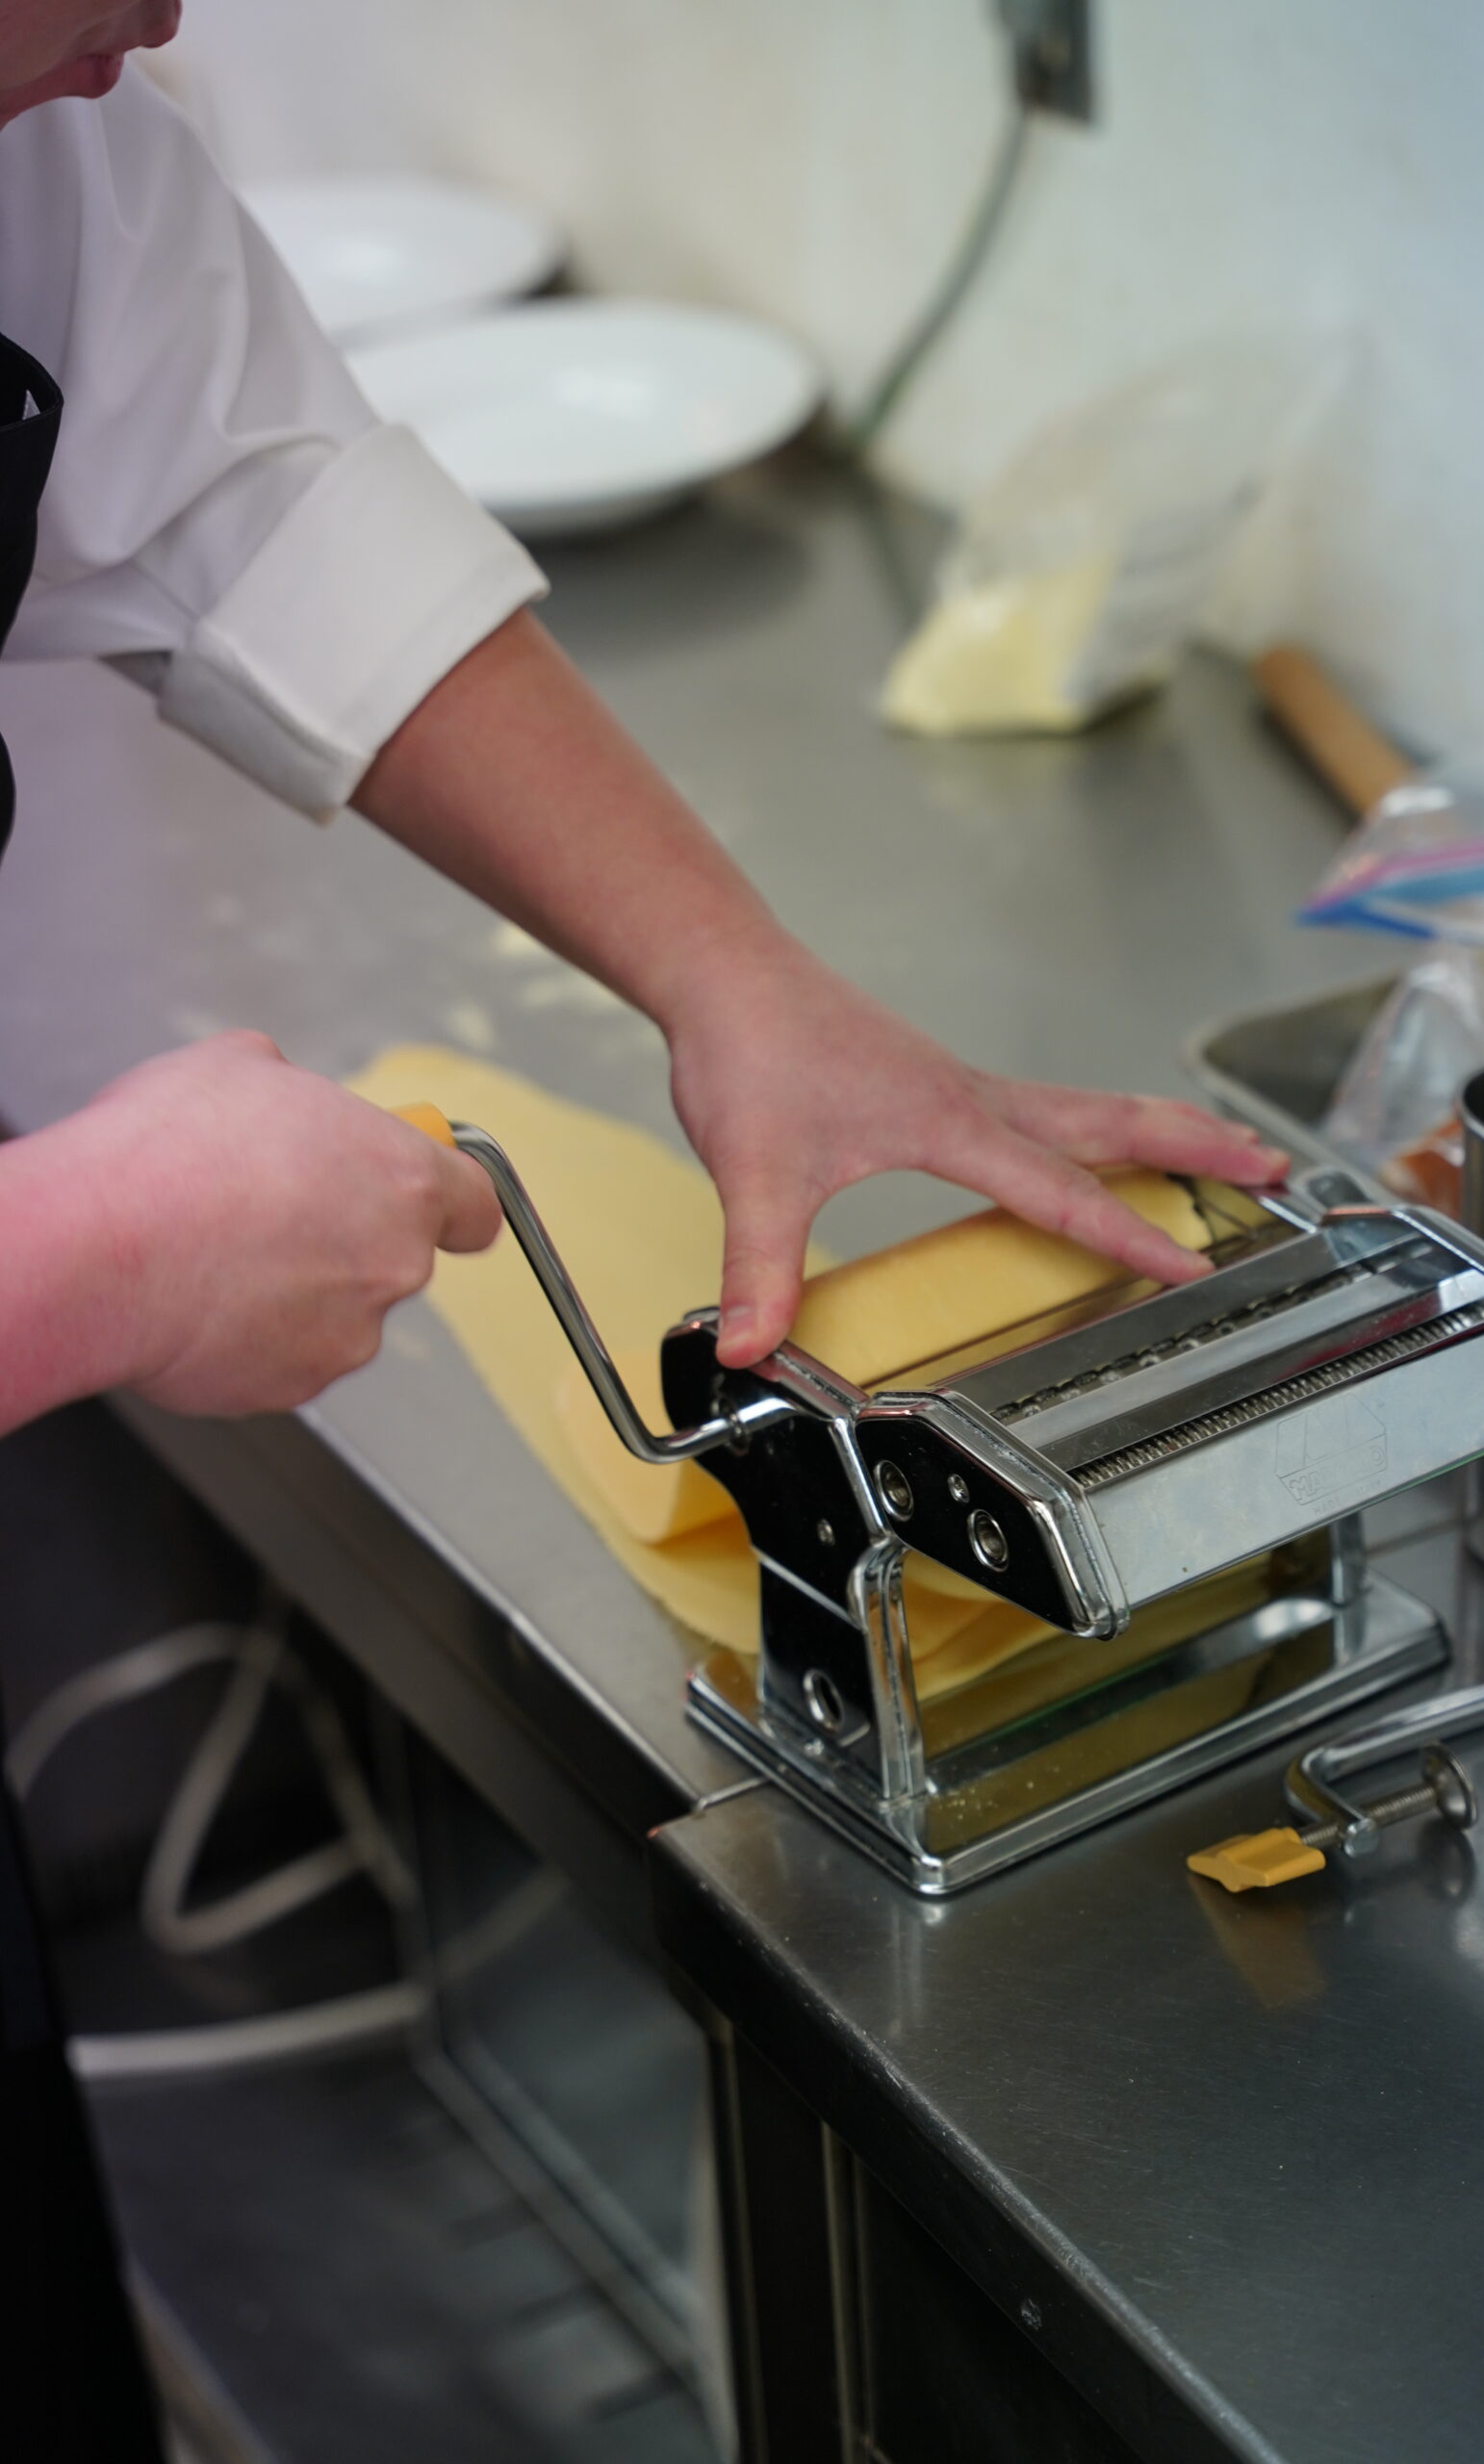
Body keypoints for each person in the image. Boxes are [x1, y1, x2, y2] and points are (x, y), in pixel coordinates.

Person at [0, 6, 1286, 2453]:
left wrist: (738, 979)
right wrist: (77, 1252)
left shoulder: (34, 113)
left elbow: (231, 482)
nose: (167, 17)